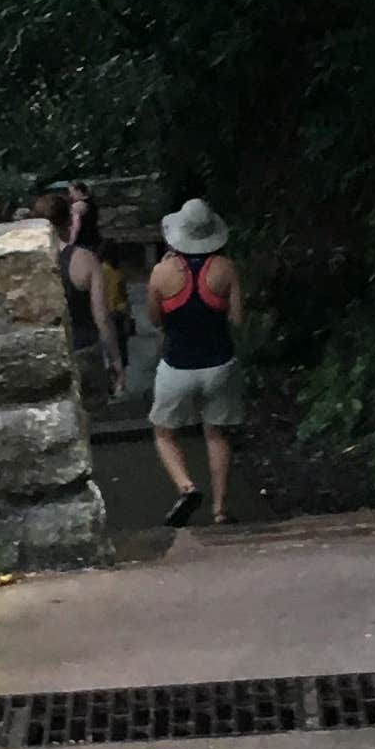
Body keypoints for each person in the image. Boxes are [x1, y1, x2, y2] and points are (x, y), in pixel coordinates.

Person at [147, 197, 244, 526]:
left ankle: (187, 487)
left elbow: (155, 321)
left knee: (164, 433)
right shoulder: (226, 268)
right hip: (219, 362)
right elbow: (237, 319)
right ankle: (220, 509)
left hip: (177, 365)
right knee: (216, 434)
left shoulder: (161, 273)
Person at [48, 181, 125, 391]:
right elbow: (101, 314)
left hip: (46, 352)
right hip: (84, 348)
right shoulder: (85, 260)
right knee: (93, 416)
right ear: (68, 222)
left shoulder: (24, 262)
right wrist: (116, 359)